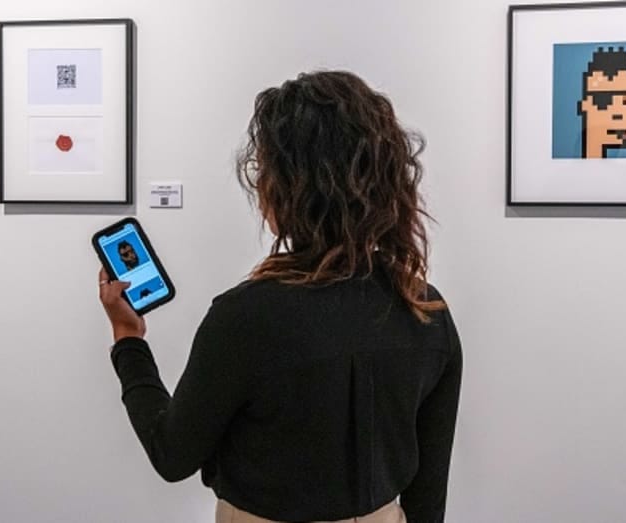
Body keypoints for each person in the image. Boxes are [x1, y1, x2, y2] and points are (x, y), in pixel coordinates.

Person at [98, 71, 462, 523]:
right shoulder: (425, 308)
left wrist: (128, 340)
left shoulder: (247, 316)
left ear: (285, 186)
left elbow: (171, 454)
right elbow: (428, 496)